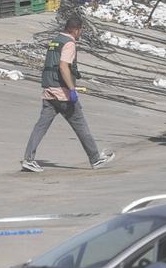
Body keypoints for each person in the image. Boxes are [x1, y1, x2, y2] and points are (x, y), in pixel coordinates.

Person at [21, 16, 115, 172]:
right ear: (76, 29)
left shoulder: (56, 40)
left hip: (49, 92)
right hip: (63, 94)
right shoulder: (69, 44)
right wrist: (72, 90)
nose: (81, 34)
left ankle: (28, 159)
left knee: (40, 127)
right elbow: (64, 67)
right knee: (81, 125)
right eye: (81, 30)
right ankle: (95, 159)